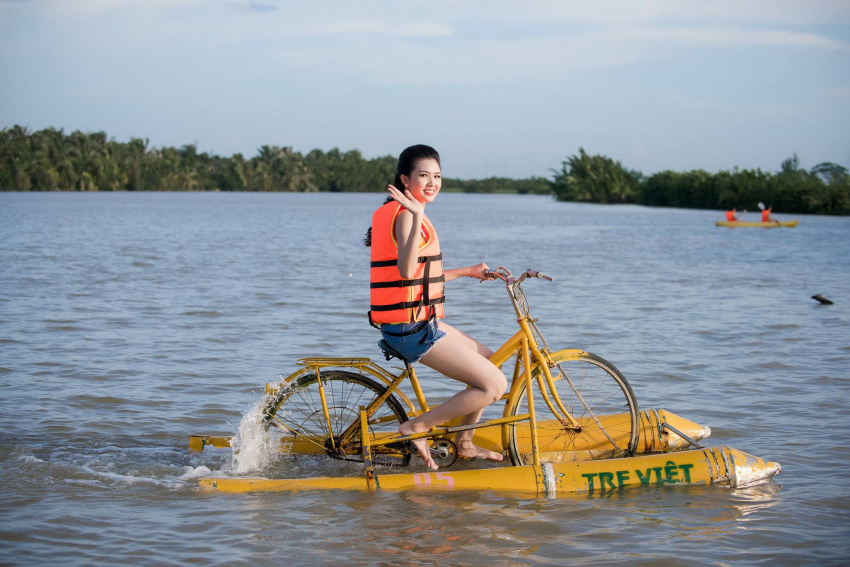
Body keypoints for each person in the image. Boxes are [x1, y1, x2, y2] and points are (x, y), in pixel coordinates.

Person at [364, 144, 507, 470]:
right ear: (405, 179)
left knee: (490, 360)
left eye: (437, 176)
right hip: (409, 328)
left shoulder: (411, 214)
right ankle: (417, 426)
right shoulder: (406, 216)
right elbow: (405, 269)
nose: (432, 182)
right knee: (494, 385)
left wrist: (468, 271)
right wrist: (416, 215)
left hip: (418, 321)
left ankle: (465, 442)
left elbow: (418, 275)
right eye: (423, 175)